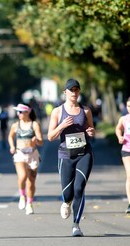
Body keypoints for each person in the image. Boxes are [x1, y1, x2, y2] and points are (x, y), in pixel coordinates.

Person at [47, 79, 95, 237]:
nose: (74, 93)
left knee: (79, 188)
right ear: (65, 92)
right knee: (68, 193)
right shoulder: (57, 112)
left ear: (79, 92)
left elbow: (90, 129)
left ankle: (76, 224)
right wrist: (62, 126)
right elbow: (50, 137)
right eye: (71, 90)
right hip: (65, 155)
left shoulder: (86, 110)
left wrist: (90, 132)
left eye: (76, 90)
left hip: (84, 153)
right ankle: (66, 202)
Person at [8, 103, 43, 215]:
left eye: (21, 112)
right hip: (20, 154)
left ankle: (29, 203)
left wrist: (36, 140)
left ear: (28, 112)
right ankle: (22, 196)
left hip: (32, 155)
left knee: (31, 181)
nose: (19, 114)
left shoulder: (35, 124)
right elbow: (10, 136)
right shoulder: (15, 125)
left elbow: (41, 141)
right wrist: (12, 146)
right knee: (22, 176)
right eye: (18, 112)